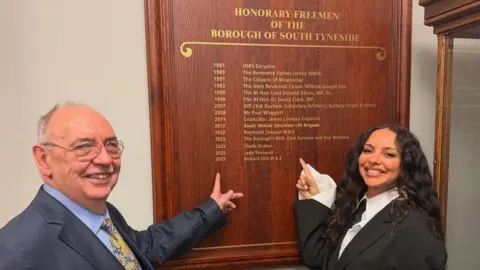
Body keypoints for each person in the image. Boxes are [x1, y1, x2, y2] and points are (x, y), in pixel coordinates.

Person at [0, 103, 243, 270]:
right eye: (84, 147)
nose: (105, 159)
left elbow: (145, 246)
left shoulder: (103, 216)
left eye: (111, 145)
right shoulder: (17, 251)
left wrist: (211, 210)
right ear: (44, 159)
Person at [294, 124, 447, 270]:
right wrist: (317, 198)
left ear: (406, 164)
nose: (373, 160)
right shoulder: (355, 208)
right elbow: (322, 258)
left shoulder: (416, 228)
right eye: (368, 151)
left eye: (389, 154)